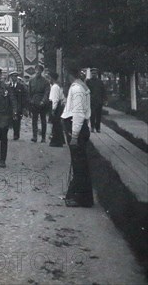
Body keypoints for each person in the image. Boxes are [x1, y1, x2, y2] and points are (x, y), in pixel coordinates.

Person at [61, 62, 93, 207]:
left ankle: (80, 198)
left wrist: (74, 135)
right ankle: (81, 197)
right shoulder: (81, 86)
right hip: (79, 128)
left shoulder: (77, 89)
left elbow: (79, 113)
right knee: (80, 164)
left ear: (68, 74)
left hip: (76, 129)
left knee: (79, 165)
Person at [28, 64, 50, 142]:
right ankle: (34, 136)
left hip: (42, 104)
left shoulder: (46, 81)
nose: (37, 72)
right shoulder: (31, 80)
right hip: (34, 102)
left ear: (41, 71)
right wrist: (30, 101)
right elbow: (29, 92)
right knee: (34, 120)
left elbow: (47, 93)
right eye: (36, 70)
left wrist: (43, 101)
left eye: (39, 70)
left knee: (43, 120)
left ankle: (43, 137)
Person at [7, 71, 28, 141]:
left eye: (15, 76)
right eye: (12, 76)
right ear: (11, 77)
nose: (14, 78)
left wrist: (24, 107)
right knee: (10, 120)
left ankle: (16, 134)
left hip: (19, 106)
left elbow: (24, 97)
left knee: (17, 121)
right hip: (9, 106)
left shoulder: (21, 86)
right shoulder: (8, 86)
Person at [86, 68, 107, 133]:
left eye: (95, 73)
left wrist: (105, 99)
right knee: (92, 114)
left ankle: (98, 128)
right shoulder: (88, 82)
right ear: (91, 74)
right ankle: (92, 127)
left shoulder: (100, 82)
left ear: (97, 74)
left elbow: (103, 91)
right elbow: (86, 91)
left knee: (98, 115)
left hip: (99, 101)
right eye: (92, 73)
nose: (93, 74)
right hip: (92, 101)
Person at [48, 72, 66, 147]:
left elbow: (55, 99)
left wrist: (53, 109)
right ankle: (60, 140)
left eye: (49, 78)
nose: (49, 79)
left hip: (55, 106)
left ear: (52, 78)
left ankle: (57, 141)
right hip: (58, 106)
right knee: (57, 124)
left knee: (56, 125)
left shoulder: (54, 87)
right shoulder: (57, 86)